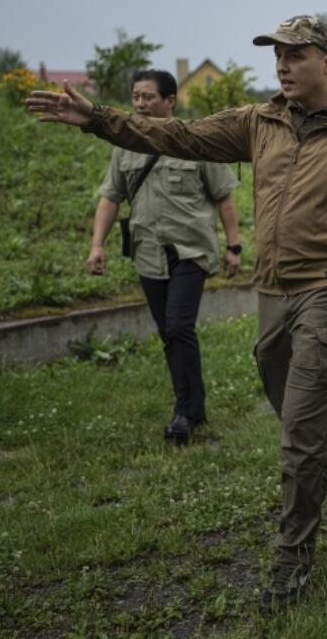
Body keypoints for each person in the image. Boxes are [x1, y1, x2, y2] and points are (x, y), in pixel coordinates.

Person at [27, 15, 327, 611]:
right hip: (274, 288)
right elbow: (180, 136)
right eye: (278, 55)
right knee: (291, 404)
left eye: (296, 54)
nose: (283, 65)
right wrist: (98, 120)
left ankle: (291, 562)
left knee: (300, 426)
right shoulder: (258, 122)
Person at [88, 69, 241, 445]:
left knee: (178, 327)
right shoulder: (124, 146)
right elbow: (111, 197)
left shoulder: (195, 140)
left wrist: (234, 246)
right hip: (148, 252)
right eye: (135, 97)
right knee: (169, 333)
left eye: (148, 97)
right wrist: (97, 245)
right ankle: (195, 404)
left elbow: (224, 196)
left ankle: (184, 412)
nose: (140, 104)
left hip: (190, 250)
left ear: (170, 101)